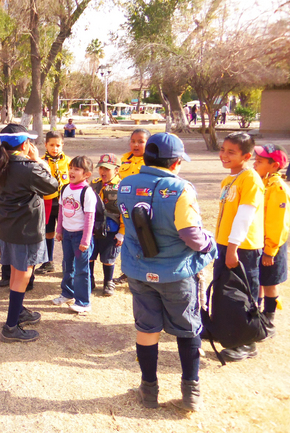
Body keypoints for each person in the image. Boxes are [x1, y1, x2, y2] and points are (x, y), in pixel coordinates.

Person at [117, 132, 217, 412]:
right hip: (176, 272)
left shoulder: (126, 184)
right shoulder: (180, 188)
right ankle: (190, 393)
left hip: (139, 270)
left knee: (147, 329)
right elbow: (191, 236)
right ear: (174, 163)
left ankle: (149, 390)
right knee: (187, 330)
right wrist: (209, 242)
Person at [0, 124, 59, 341]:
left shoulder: (1, 163)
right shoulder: (28, 167)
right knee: (23, 275)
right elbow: (52, 186)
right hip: (26, 229)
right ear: (24, 144)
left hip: (9, 226)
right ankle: (11, 326)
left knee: (15, 271)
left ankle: (18, 310)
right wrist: (37, 160)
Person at [214, 132, 265, 362]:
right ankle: (223, 329)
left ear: (247, 155)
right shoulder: (228, 179)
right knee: (224, 291)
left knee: (244, 294)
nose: (224, 155)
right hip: (224, 244)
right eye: (223, 149)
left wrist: (233, 247)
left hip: (242, 247)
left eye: (231, 152)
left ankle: (247, 342)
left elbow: (245, 216)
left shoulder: (251, 179)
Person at [252, 144, 290, 338]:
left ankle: (270, 316)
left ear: (274, 165)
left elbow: (278, 223)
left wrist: (270, 250)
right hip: (259, 241)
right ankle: (258, 310)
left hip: (272, 244)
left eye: (260, 161)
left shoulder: (278, 188)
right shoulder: (262, 182)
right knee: (259, 278)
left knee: (270, 281)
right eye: (255, 159)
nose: (255, 163)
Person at [53, 156, 97, 313]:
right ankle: (67, 293)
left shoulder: (87, 192)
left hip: (80, 237)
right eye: (71, 167)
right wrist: (59, 230)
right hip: (67, 234)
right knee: (67, 265)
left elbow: (89, 218)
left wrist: (85, 240)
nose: (72, 171)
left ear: (86, 174)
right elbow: (61, 210)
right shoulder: (65, 188)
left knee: (81, 270)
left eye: (77, 169)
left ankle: (83, 302)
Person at [114, 128, 151, 284]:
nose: (136, 145)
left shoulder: (150, 161)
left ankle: (144, 273)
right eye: (133, 141)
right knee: (127, 240)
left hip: (143, 208)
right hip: (125, 208)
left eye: (141, 142)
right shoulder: (123, 160)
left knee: (144, 241)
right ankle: (127, 272)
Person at [35, 131, 70, 275]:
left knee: (67, 233)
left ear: (62, 145)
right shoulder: (41, 161)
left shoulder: (68, 162)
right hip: (48, 202)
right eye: (51, 145)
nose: (55, 148)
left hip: (65, 204)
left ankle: (68, 263)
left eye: (58, 145)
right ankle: (48, 261)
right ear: (45, 145)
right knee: (48, 232)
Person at [89, 153, 123, 296]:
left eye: (107, 169)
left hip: (112, 227)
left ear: (116, 170)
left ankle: (108, 281)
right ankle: (89, 279)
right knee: (90, 254)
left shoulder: (122, 187)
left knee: (108, 257)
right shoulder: (94, 184)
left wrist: (122, 231)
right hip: (94, 227)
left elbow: (124, 212)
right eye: (101, 168)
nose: (103, 171)